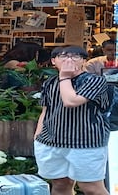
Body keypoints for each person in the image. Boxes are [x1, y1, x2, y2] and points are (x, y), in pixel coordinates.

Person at [34, 45, 110, 195]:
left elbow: (71, 101)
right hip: (51, 141)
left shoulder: (95, 81)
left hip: (86, 143)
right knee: (60, 185)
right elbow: (46, 110)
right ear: (53, 61)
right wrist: (38, 136)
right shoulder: (49, 82)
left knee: (92, 188)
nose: (69, 60)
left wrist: (65, 77)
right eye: (63, 56)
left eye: (75, 57)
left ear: (83, 61)